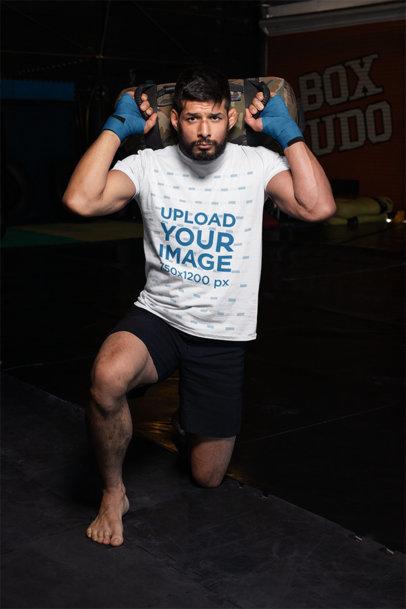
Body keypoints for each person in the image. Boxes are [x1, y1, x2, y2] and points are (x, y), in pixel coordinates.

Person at [63, 66, 336, 547]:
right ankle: (112, 493)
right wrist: (115, 126)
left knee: (207, 477)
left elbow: (317, 208)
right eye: (192, 119)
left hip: (222, 334)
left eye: (213, 118)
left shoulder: (256, 164)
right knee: (106, 378)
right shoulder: (149, 163)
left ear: (230, 118)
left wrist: (287, 134)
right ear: (177, 119)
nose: (204, 131)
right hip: (160, 316)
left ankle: (189, 418)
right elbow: (81, 201)